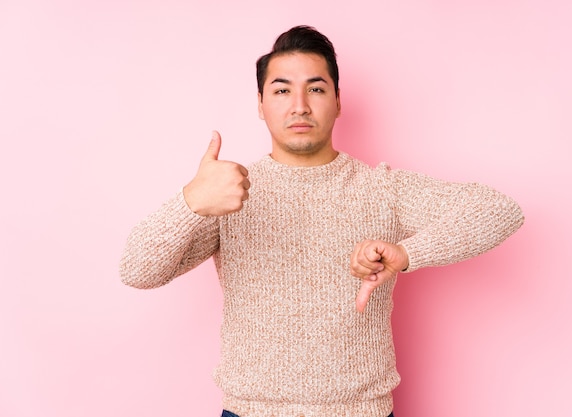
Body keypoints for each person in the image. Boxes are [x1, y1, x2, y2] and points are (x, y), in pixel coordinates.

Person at [120, 25, 524, 417]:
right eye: (281, 90)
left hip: (360, 413)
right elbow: (137, 270)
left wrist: (406, 253)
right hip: (250, 412)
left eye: (315, 88)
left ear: (338, 101)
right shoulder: (230, 193)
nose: (300, 105)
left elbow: (499, 210)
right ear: (260, 104)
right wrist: (191, 201)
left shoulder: (380, 188)